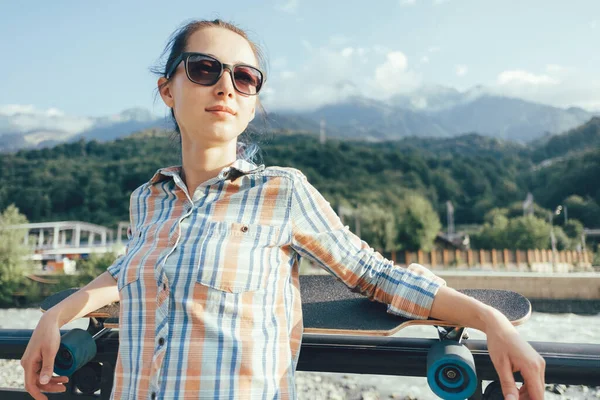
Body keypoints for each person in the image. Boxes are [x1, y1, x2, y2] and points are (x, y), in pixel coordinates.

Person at [20, 18, 545, 400]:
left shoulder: (282, 192)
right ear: (167, 89)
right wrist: (59, 312)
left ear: (252, 102)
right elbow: (129, 273)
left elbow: (373, 275)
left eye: (244, 77)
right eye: (203, 69)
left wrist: (488, 319)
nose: (225, 84)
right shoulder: (147, 198)